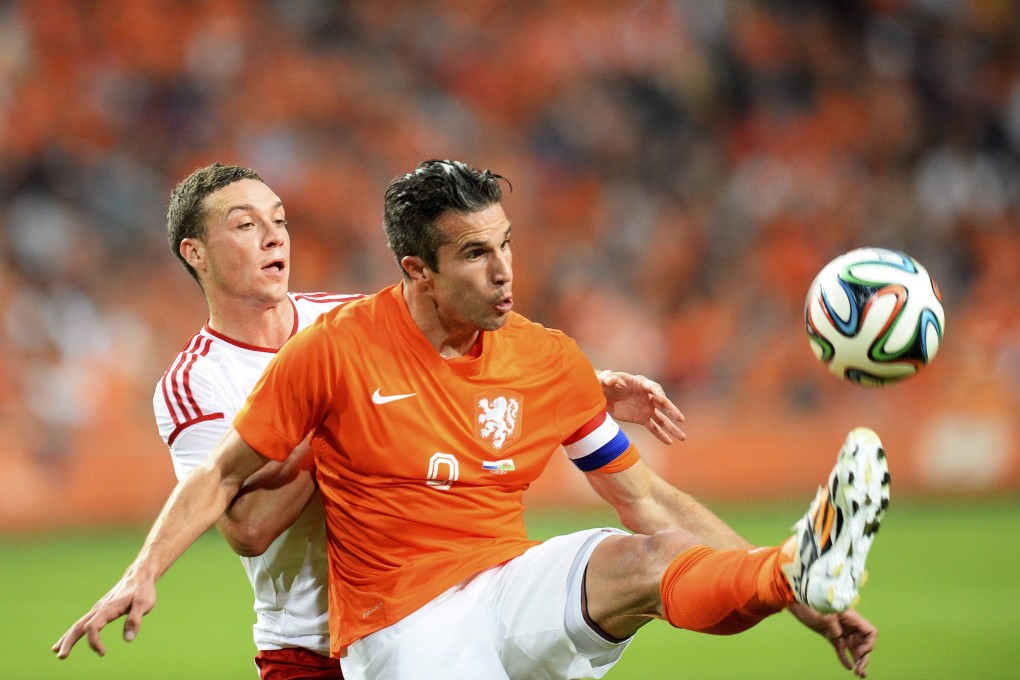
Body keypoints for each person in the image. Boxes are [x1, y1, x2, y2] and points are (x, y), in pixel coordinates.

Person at [54, 160, 888, 679]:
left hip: (494, 582)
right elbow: (242, 518)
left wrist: (582, 387)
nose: (274, 237)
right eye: (246, 225)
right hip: (330, 638)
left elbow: (640, 493)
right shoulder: (252, 369)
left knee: (653, 554)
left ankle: (792, 572)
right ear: (196, 253)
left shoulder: (368, 323)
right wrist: (145, 568)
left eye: (280, 219)